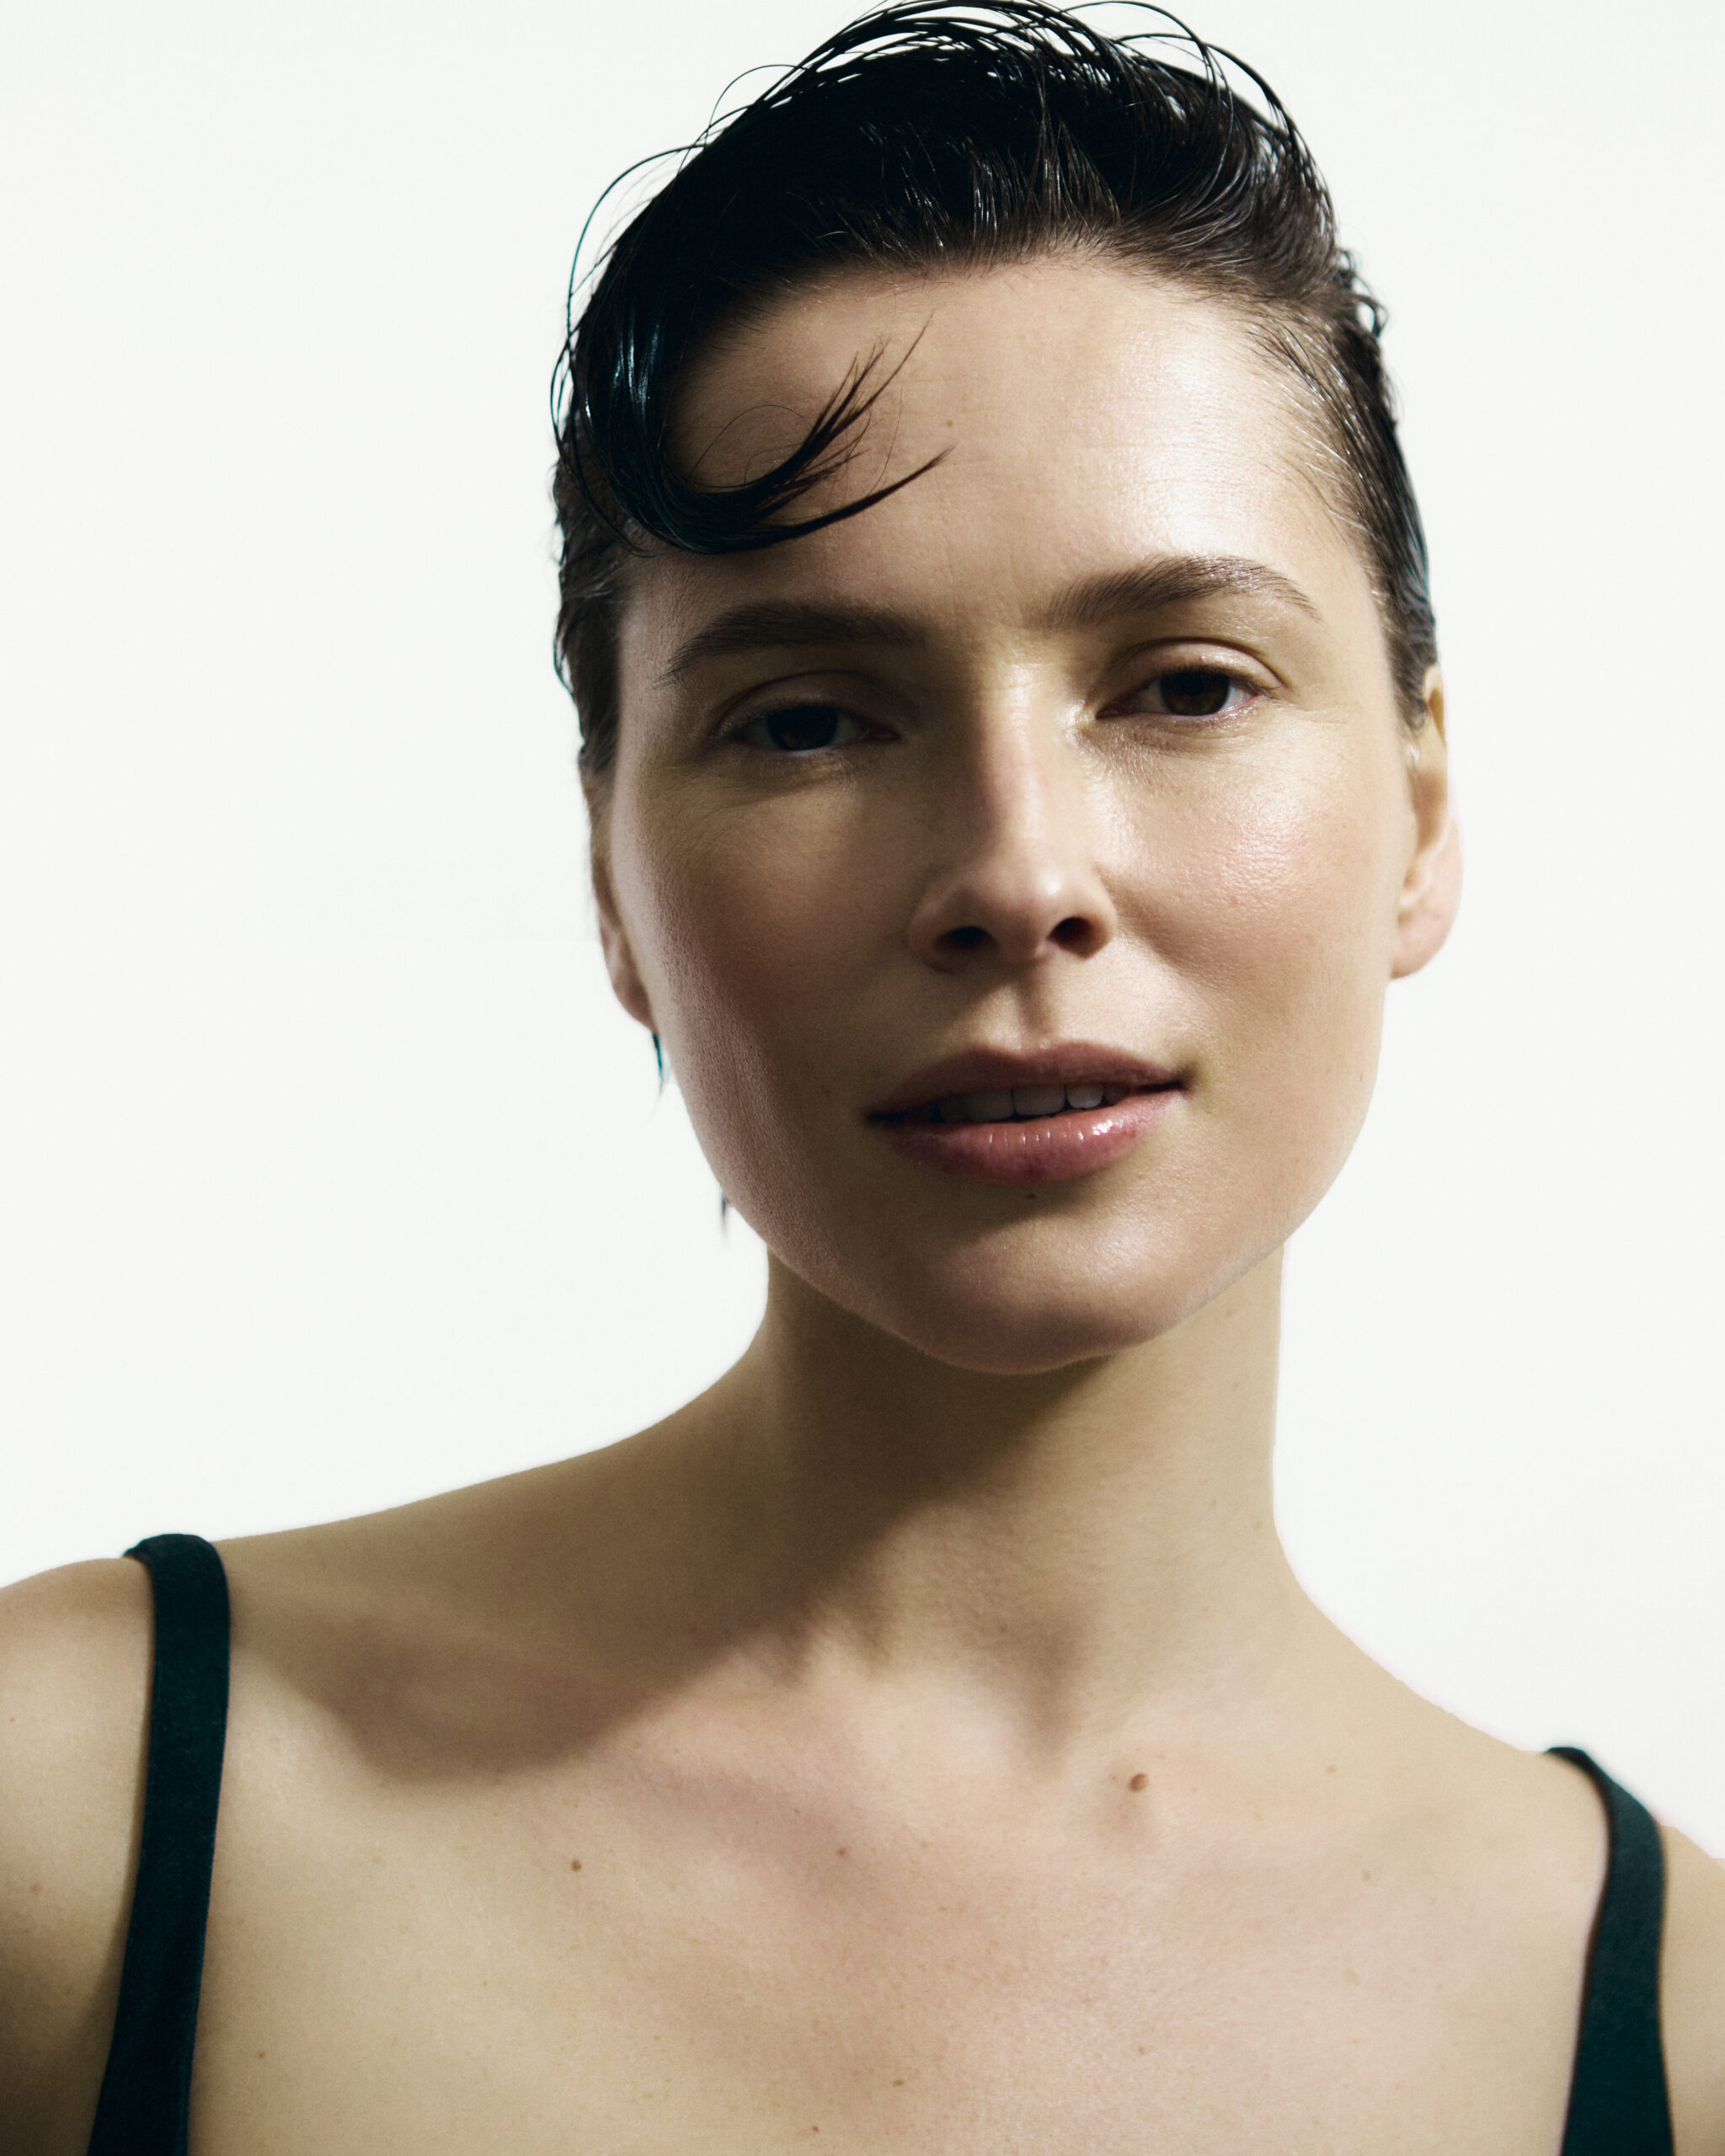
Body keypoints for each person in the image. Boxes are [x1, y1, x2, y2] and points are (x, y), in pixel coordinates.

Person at [3, 3, 1721, 2148]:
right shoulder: (76, 1814)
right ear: (613, 881)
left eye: (1184, 684)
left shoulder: (1679, 2037)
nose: (1018, 875)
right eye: (809, 719)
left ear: (1422, 805)